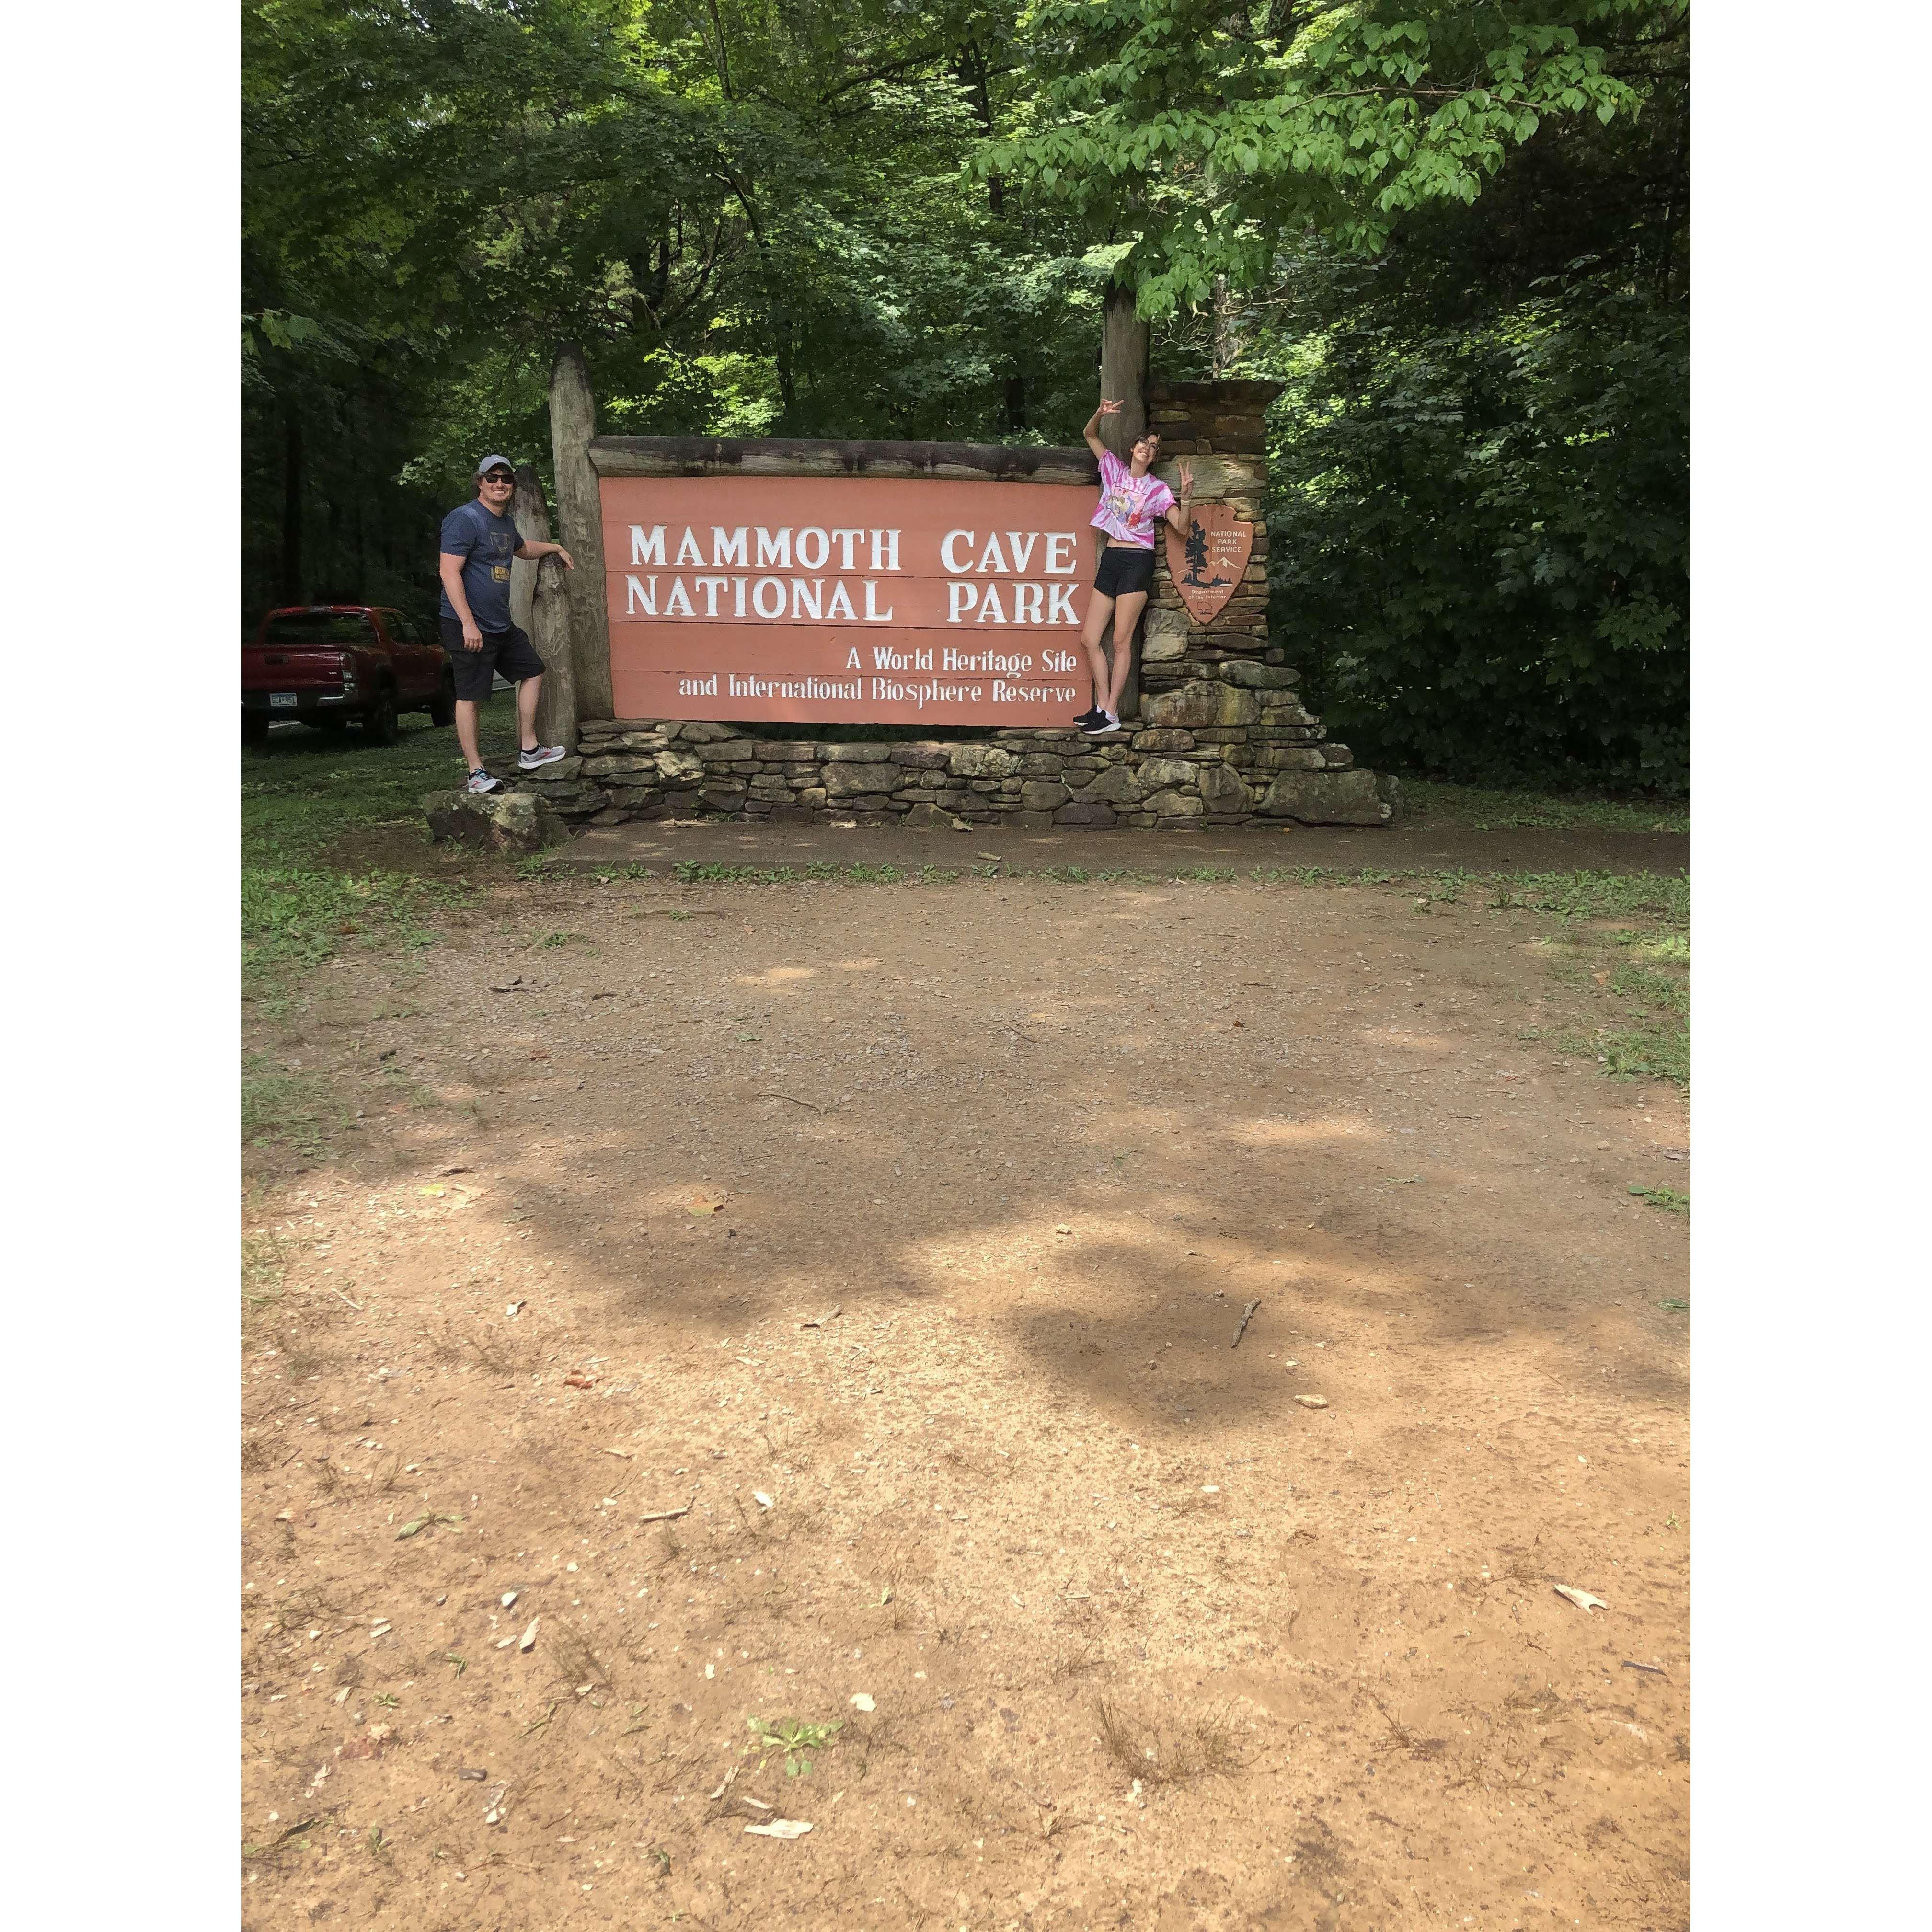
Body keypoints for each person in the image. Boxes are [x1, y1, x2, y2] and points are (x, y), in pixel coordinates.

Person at [437, 455, 576, 793]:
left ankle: (530, 750)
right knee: (470, 696)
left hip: (500, 624)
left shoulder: (504, 523)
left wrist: (555, 547)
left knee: (533, 671)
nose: (500, 484)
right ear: (480, 482)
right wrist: (468, 623)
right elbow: (449, 572)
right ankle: (476, 773)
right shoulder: (465, 519)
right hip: (467, 624)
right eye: (493, 478)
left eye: (506, 479)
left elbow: (522, 548)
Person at [1074, 402, 1194, 737]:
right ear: (1133, 448)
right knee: (1089, 638)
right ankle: (1102, 707)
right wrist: (1099, 414)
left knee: (1121, 641)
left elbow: (1181, 528)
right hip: (1112, 559)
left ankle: (1111, 712)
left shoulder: (1158, 490)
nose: (1148, 448)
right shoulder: (1113, 470)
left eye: (1154, 447)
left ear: (1154, 458)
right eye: (1144, 442)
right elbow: (1089, 435)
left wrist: (1186, 498)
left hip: (1137, 561)